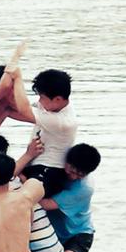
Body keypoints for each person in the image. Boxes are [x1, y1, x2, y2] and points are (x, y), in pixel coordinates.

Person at [40, 143, 100, 252]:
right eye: (71, 170)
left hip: (78, 235)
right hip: (53, 235)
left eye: (79, 175)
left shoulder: (83, 188)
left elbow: (45, 204)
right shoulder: (55, 168)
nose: (73, 176)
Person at [13, 68, 77, 197]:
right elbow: (17, 107)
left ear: (58, 99)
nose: (39, 101)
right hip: (33, 164)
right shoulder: (52, 106)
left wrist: (17, 79)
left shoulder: (63, 122)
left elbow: (22, 110)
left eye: (42, 97)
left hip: (50, 172)